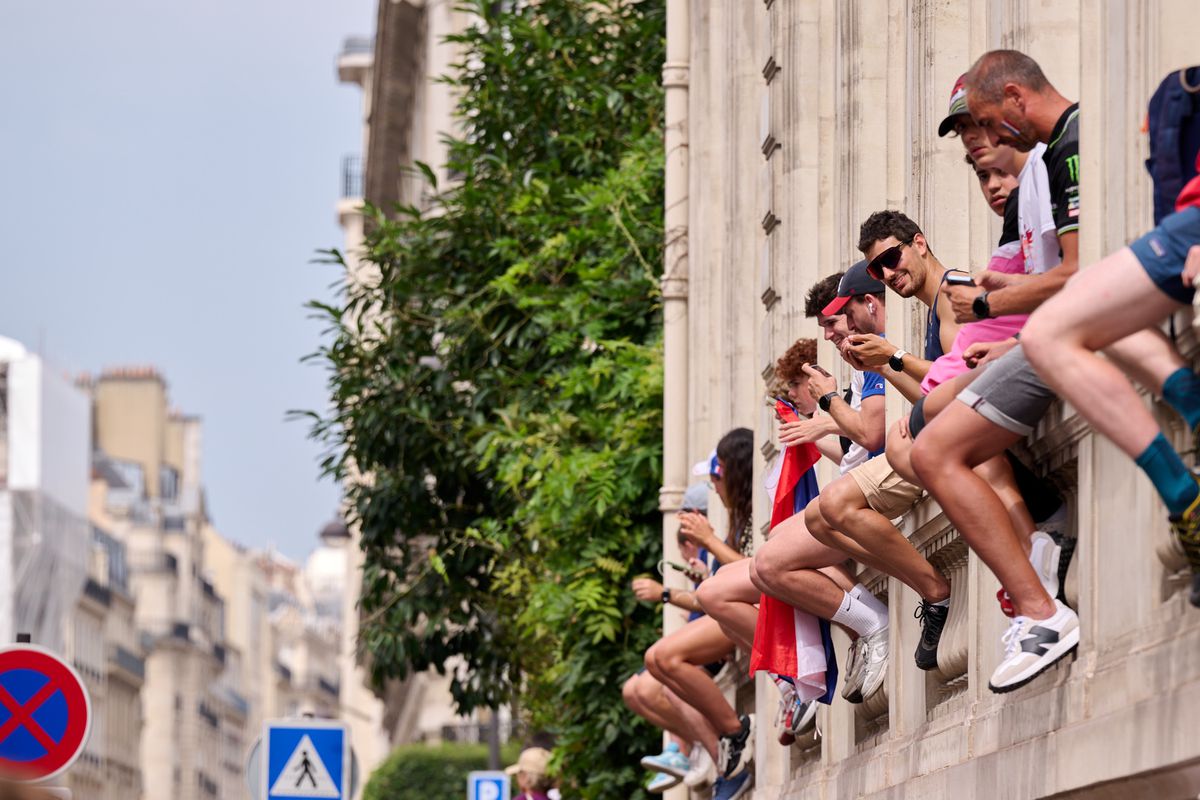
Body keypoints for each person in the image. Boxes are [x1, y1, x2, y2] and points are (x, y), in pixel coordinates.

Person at [909, 49, 1193, 693]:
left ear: (1015, 97)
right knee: (929, 445)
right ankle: (1039, 592)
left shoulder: (1067, 145)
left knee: (934, 452)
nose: (988, 141)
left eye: (985, 122)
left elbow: (1078, 271)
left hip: (1066, 333)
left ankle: (1041, 609)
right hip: (1058, 334)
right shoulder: (1049, 155)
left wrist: (989, 303)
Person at [1021, 117, 1200, 604]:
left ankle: (1185, 497)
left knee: (1046, 334)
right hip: (1183, 224)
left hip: (1191, 224)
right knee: (1072, 311)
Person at [751, 283, 891, 708]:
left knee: (769, 565)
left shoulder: (869, 354)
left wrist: (824, 415)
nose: (830, 334)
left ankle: (872, 625)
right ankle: (864, 628)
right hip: (856, 486)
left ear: (860, 308)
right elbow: (854, 446)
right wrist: (815, 427)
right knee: (766, 564)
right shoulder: (856, 361)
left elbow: (870, 435)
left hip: (870, 488)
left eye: (832, 322)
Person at [643, 429, 756, 800]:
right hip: (732, 610)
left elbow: (759, 573)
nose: (714, 485)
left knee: (663, 659)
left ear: (734, 472)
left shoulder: (756, 509)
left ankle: (733, 735)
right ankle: (726, 742)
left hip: (752, 610)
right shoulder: (737, 517)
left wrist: (709, 542)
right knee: (658, 661)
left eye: (717, 476)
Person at [626, 482, 721, 792]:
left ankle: (711, 748)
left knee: (663, 671)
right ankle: (692, 745)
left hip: (722, 636)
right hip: (711, 630)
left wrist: (665, 593)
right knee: (635, 687)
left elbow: (717, 594)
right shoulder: (708, 546)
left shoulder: (712, 542)